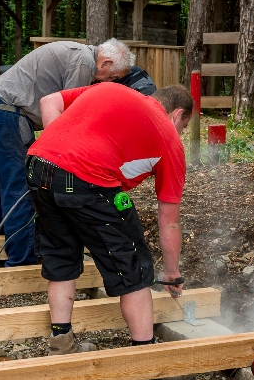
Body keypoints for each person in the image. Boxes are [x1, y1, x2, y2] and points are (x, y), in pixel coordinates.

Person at [25, 82, 193, 355]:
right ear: (178, 115)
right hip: (87, 178)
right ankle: (144, 354)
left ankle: (61, 342)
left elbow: (48, 101)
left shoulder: (110, 89)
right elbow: (169, 220)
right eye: (183, 127)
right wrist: (172, 272)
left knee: (61, 255)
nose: (180, 133)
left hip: (38, 166)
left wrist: (62, 158)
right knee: (132, 264)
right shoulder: (169, 140)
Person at [0, 38, 134, 266]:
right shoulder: (84, 63)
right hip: (10, 114)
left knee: (2, 183)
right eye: (112, 77)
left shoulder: (78, 53)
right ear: (106, 63)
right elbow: (71, 113)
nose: (107, 82)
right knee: (20, 186)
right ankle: (22, 258)